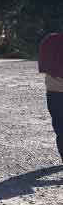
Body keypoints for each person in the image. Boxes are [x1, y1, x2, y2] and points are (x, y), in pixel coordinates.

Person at [39, 33, 63, 162]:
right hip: (55, 91)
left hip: (55, 91)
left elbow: (44, 66)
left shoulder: (50, 40)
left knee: (61, 130)